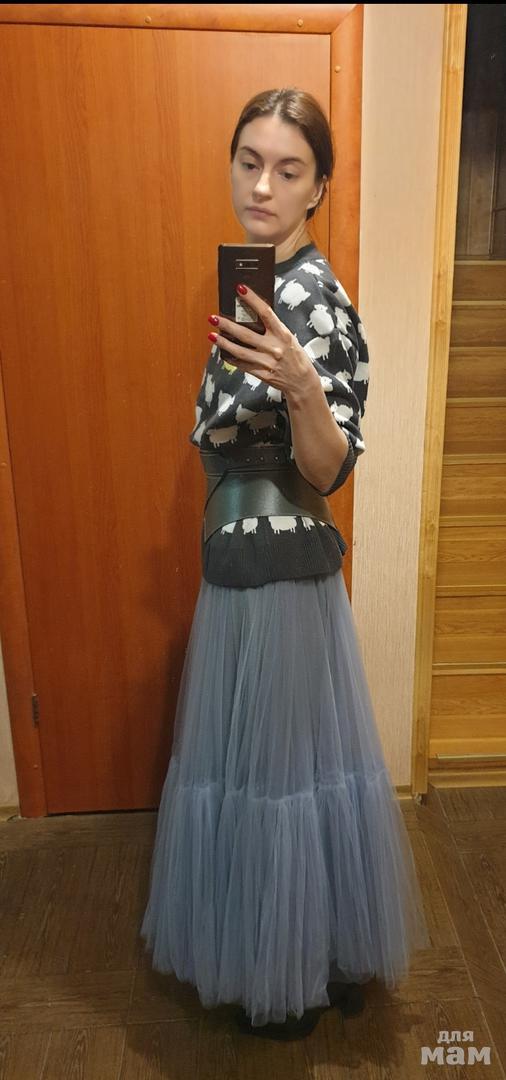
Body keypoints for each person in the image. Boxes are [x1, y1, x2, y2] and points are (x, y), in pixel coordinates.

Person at [140, 87, 430, 1042]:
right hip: (249, 564)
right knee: (298, 769)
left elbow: (331, 468)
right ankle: (330, 954)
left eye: (288, 169)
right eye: (249, 162)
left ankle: (290, 984)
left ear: (319, 188)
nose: (262, 185)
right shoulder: (261, 285)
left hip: (278, 572)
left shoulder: (317, 301)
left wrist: (303, 381)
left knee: (275, 782)